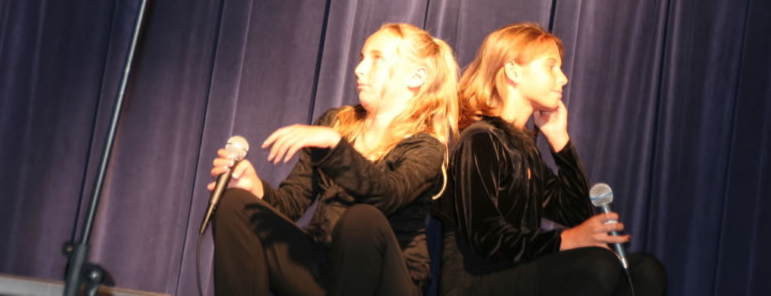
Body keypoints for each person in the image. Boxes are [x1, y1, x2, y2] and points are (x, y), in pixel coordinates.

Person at [209, 23, 459, 296]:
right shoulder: (335, 123)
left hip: (386, 282)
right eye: (362, 58)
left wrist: (334, 146)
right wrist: (257, 189)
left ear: (416, 77)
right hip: (326, 267)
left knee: (362, 219)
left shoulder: (426, 147)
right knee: (236, 203)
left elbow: (388, 195)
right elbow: (292, 202)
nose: (359, 69)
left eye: (377, 59)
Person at [432, 22, 666, 296]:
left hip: (521, 272)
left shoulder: (525, 150)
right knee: (598, 266)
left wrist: (560, 142)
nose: (563, 79)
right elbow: (486, 237)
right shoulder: (480, 139)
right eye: (551, 67)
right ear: (513, 72)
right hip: (476, 282)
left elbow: (576, 215)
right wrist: (566, 240)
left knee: (646, 271)